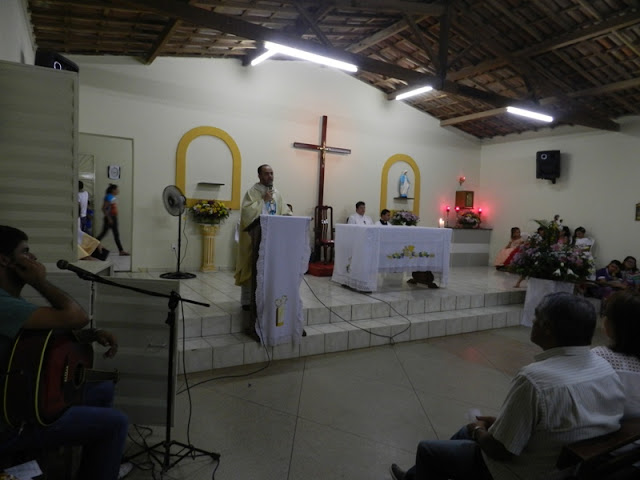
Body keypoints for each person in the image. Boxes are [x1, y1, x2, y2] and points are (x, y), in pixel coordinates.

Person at [390, 292, 625, 480]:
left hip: (523, 472)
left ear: (547, 327)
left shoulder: (535, 379)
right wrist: (494, 425)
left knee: (428, 450)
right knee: (466, 431)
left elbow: (500, 451)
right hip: (570, 464)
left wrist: (478, 431)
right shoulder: (605, 367)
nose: (532, 322)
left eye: (535, 317)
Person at [0, 225, 129, 480]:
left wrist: (91, 335)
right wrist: (39, 281)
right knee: (116, 424)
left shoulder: (11, 302)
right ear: (5, 260)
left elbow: (38, 339)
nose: (33, 258)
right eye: (25, 252)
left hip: (21, 399)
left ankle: (99, 464)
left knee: (102, 388)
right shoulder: (3, 305)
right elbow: (76, 317)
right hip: (10, 421)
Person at [234, 164, 291, 310]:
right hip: (255, 239)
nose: (270, 176)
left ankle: (266, 298)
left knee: (270, 269)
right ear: (259, 175)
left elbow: (283, 210)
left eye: (271, 173)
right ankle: (247, 300)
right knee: (250, 267)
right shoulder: (252, 192)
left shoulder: (276, 193)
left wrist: (288, 216)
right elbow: (247, 212)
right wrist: (263, 201)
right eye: (266, 173)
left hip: (273, 238)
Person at [96, 184, 129, 256]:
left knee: (115, 234)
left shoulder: (112, 197)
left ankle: (121, 251)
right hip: (110, 218)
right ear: (113, 190)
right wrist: (109, 218)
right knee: (104, 234)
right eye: (117, 189)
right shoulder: (109, 197)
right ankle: (91, 245)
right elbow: (104, 208)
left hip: (113, 217)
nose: (118, 191)